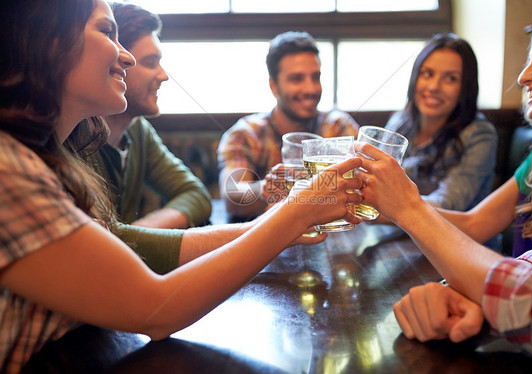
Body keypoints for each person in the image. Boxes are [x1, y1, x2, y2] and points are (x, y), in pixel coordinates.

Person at [0, 1, 364, 372]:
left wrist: (276, 225)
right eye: (107, 33)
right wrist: (293, 212)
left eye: (315, 77)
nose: (125, 56)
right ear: (50, 42)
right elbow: (154, 307)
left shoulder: (54, 155)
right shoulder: (10, 169)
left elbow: (136, 236)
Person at [355, 10, 532, 362]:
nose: (523, 76)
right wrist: (464, 295)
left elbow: (463, 212)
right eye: (427, 74)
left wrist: (403, 207)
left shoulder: (477, 132)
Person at [87, 2, 212, 229]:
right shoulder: (75, 136)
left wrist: (139, 232)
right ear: (117, 61)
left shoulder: (137, 129)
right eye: (151, 62)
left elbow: (195, 193)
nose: (163, 76)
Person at [217, 31, 360, 222]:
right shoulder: (247, 133)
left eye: (316, 77)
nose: (311, 89)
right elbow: (232, 195)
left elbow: (363, 187)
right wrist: (266, 188)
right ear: (274, 86)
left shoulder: (338, 127)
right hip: (267, 243)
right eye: (297, 79)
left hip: (333, 237)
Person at [384, 33, 498, 212]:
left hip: (453, 237)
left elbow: (448, 203)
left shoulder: (479, 134)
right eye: (427, 74)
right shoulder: (400, 121)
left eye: (450, 78)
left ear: (465, 87)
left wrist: (385, 206)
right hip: (396, 232)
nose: (434, 87)